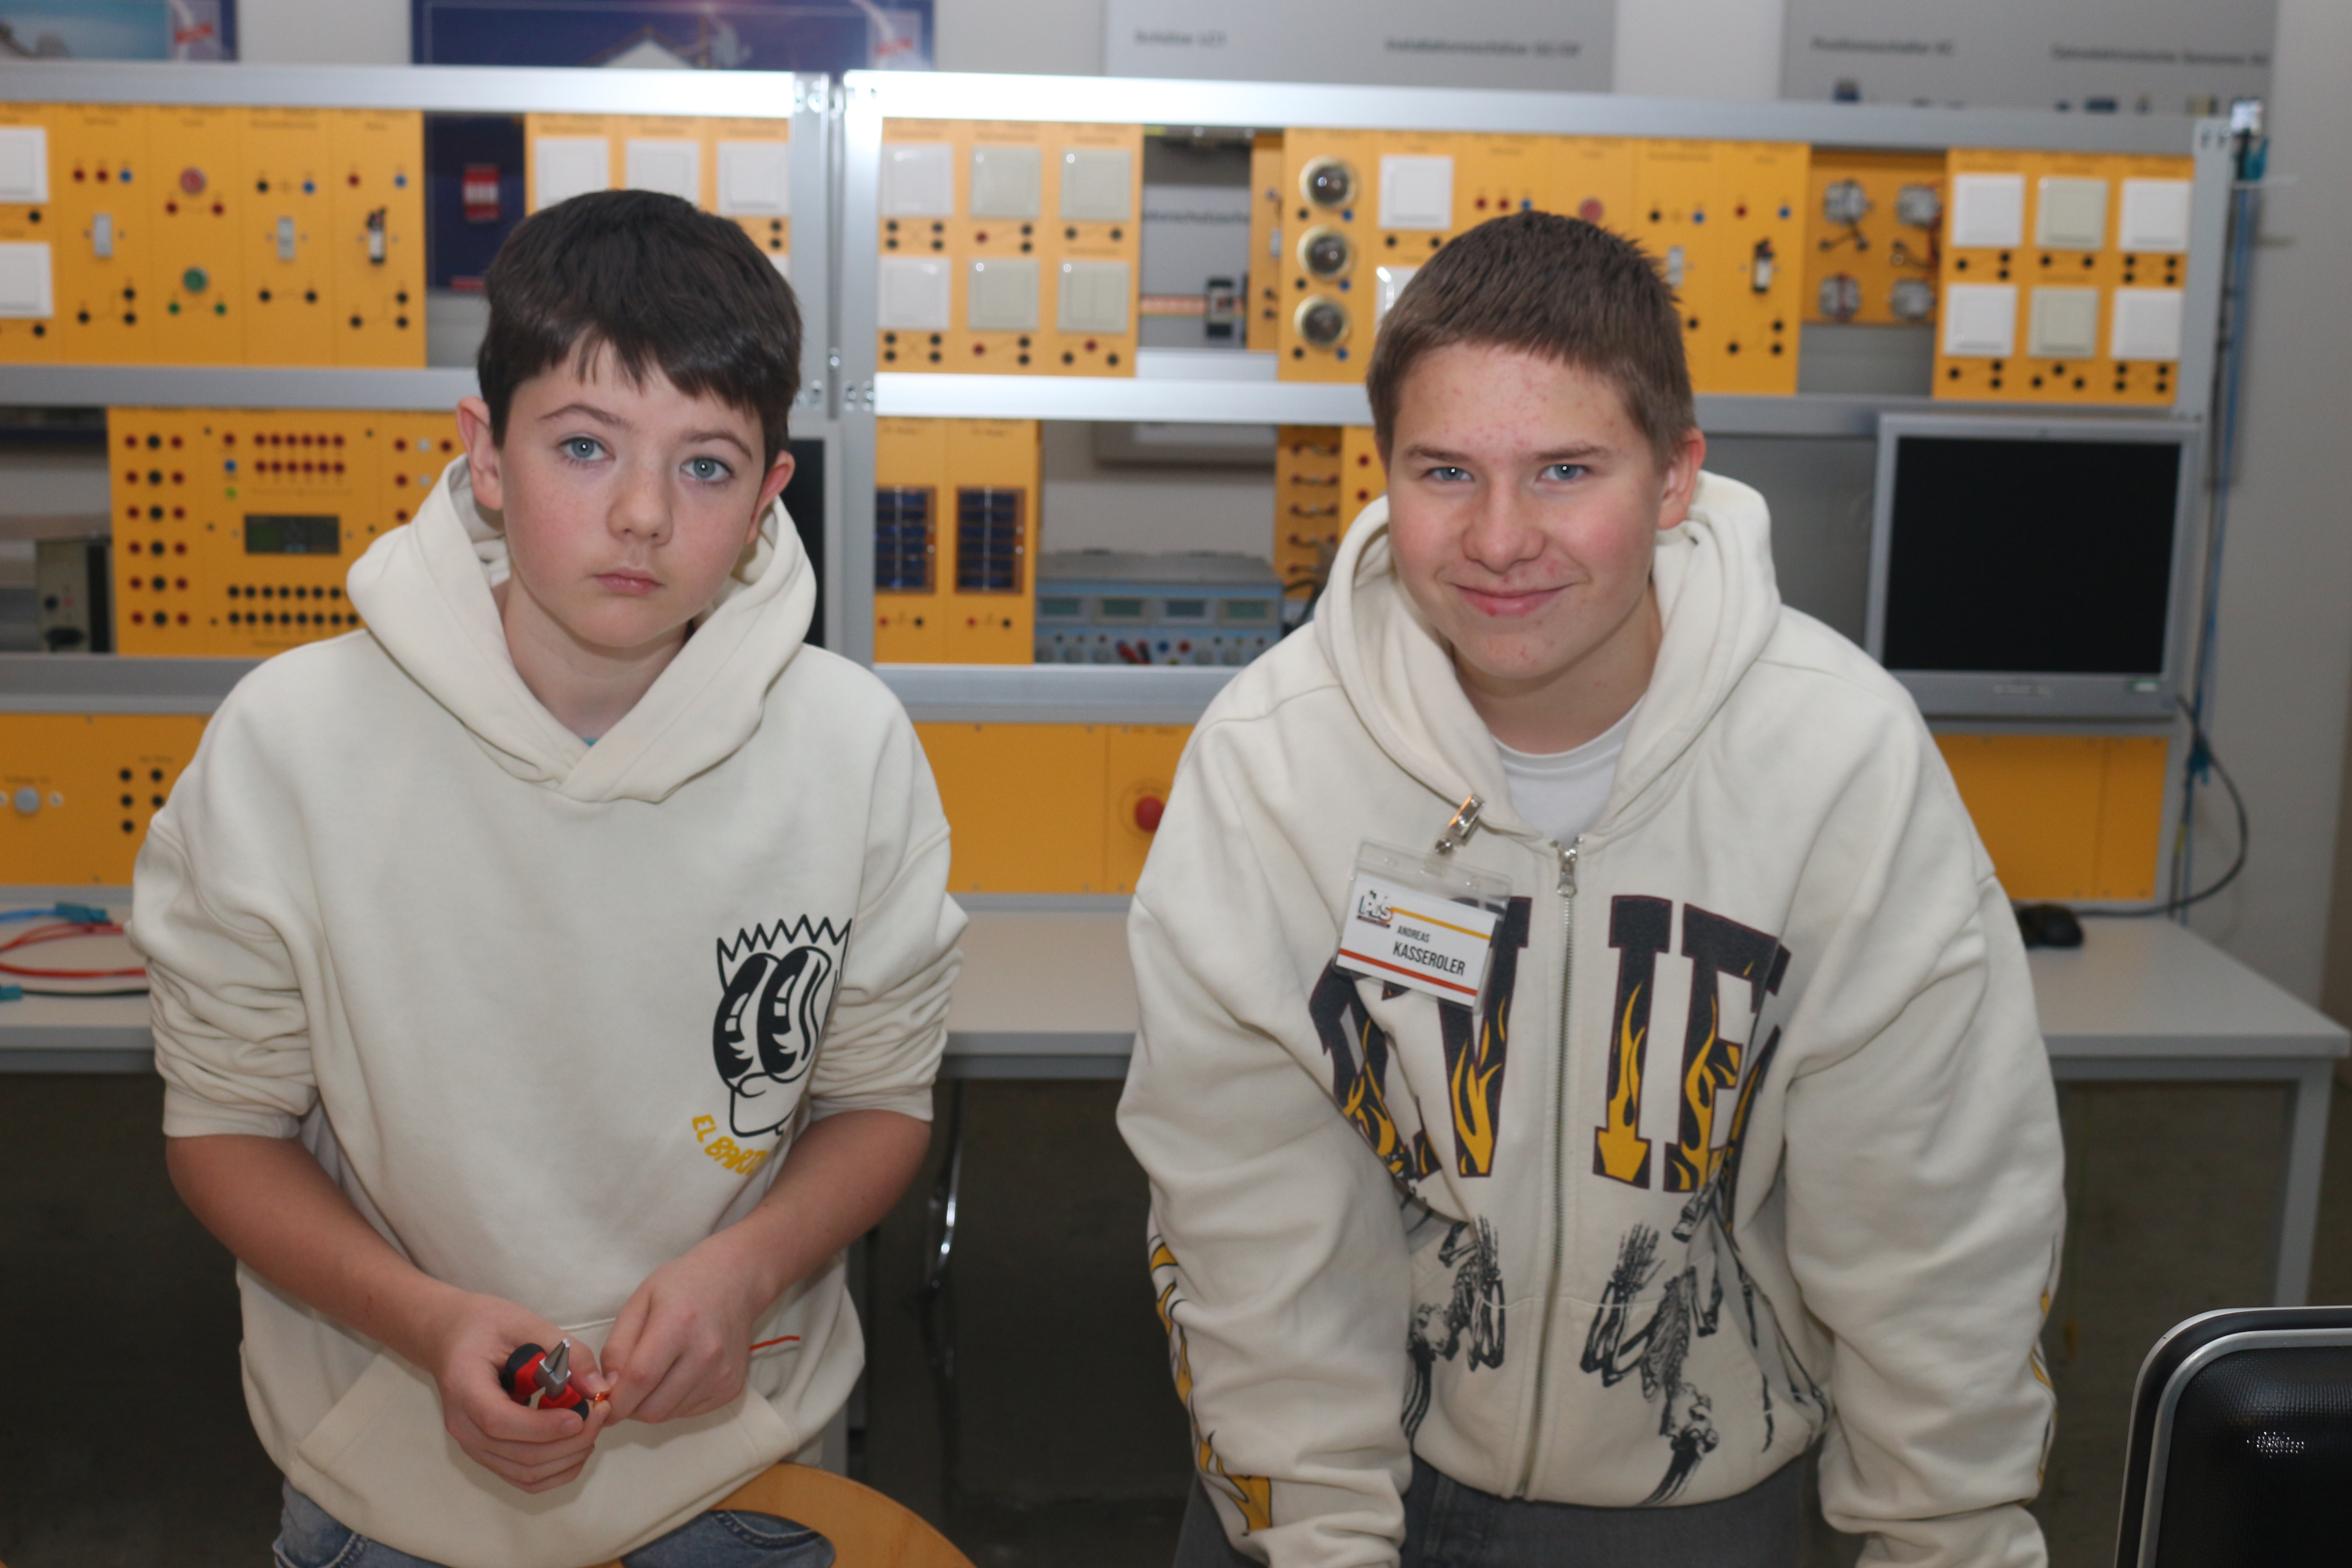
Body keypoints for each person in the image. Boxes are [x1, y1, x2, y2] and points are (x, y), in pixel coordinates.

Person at [1118, 210, 2064, 1568]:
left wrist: (1947, 1537)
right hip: (1314, 1481)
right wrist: (1315, 1533)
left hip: (1690, 1489)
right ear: (1386, 473)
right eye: (1448, 472)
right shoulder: (1276, 761)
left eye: (1565, 470)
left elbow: (1931, 1224)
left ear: (1676, 478)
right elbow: (1248, 1211)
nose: (1501, 538)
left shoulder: (1839, 761)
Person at [132, 189, 963, 1568]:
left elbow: (879, 1100)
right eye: (585, 446)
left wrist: (748, 1266)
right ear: (486, 453)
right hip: (388, 1474)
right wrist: (426, 1322)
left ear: (769, 496)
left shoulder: (850, 747)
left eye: (706, 468)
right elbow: (224, 1129)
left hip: (737, 1467)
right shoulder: (291, 743)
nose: (641, 515)